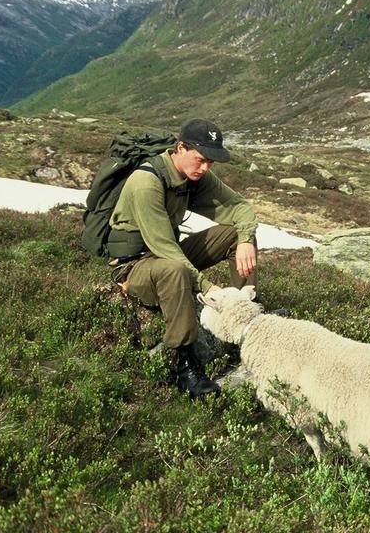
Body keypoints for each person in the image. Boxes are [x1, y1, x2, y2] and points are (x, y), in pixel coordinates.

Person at [106, 118, 257, 397]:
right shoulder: (145, 183)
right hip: (136, 265)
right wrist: (209, 288)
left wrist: (246, 239)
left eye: (210, 163)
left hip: (167, 255)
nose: (205, 168)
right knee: (175, 269)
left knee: (237, 235)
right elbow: (164, 248)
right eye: (200, 160)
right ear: (180, 148)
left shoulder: (193, 175)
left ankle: (244, 317)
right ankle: (186, 366)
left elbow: (239, 208)